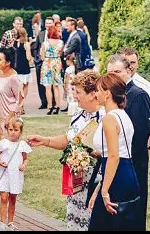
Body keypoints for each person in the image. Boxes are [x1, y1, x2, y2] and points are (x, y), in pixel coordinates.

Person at [27, 70, 104, 230]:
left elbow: (109, 152)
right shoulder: (78, 113)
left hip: (95, 181)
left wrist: (86, 153)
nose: (74, 95)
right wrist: (45, 141)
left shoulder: (105, 117)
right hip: (75, 180)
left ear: (92, 94)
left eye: (78, 92)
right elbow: (69, 139)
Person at [105, 54, 150, 230]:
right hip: (117, 163)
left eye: (117, 72)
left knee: (134, 214)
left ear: (128, 71)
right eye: (110, 73)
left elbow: (140, 137)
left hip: (133, 165)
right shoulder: (114, 97)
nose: (114, 76)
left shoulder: (138, 95)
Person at [87, 73, 140, 231]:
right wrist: (99, 189)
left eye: (97, 90)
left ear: (107, 93)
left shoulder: (109, 119)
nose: (95, 94)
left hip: (116, 177)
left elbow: (113, 156)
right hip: (127, 174)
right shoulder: (124, 116)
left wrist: (104, 191)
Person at [0, 117, 31, 227]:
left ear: (20, 131)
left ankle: (10, 222)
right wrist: (0, 162)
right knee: (4, 197)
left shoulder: (22, 144)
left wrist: (23, 165)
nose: (13, 132)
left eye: (16, 130)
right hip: (5, 173)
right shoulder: (3, 143)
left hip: (16, 174)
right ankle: (3, 223)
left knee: (13, 199)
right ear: (7, 130)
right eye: (10, 130)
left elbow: (25, 158)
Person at [0, 51, 22, 124]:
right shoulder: (0, 72)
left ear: (8, 63)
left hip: (9, 118)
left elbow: (20, 100)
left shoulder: (13, 78)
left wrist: (9, 118)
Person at [41, 26, 65, 114]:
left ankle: (50, 106)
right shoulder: (60, 42)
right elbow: (60, 53)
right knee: (56, 86)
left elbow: (42, 56)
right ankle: (57, 106)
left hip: (47, 63)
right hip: (57, 63)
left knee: (48, 87)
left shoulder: (45, 43)